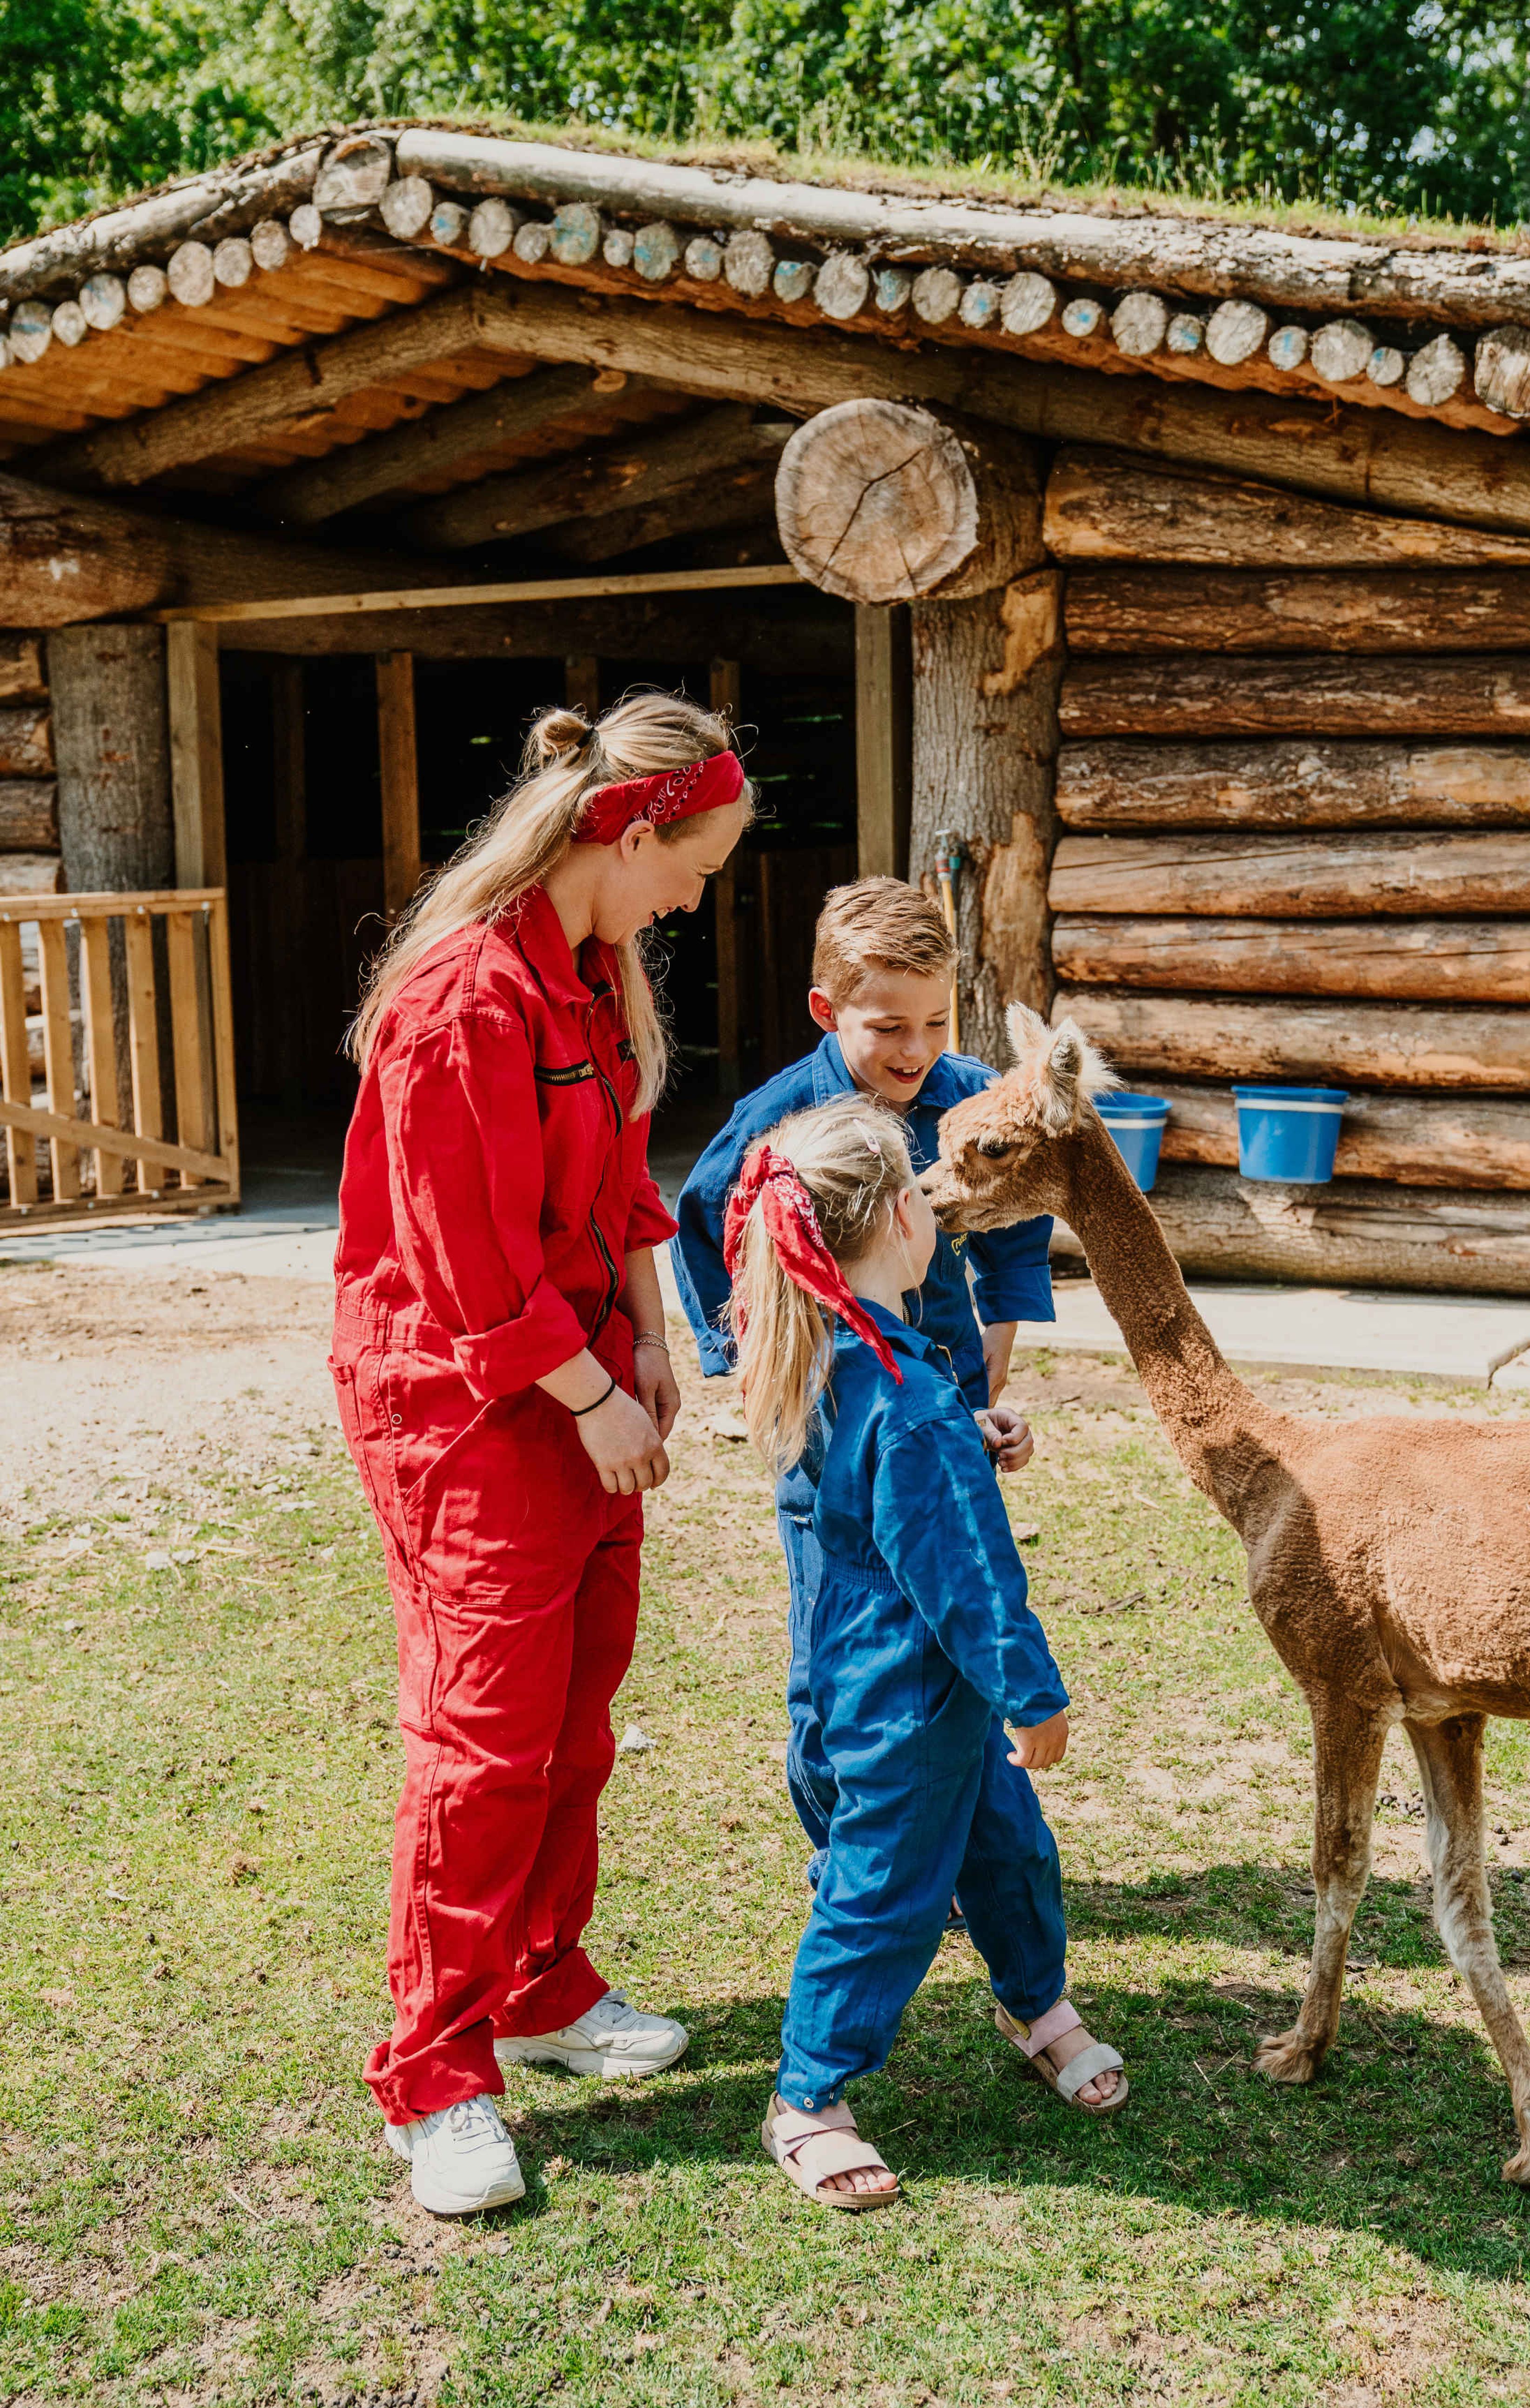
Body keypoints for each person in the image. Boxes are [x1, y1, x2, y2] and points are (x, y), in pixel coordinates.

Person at [333, 692, 752, 2218]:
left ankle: (540, 1982)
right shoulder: (461, 1002)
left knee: (575, 1723)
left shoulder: (586, 977)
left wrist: (651, 1332)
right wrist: (590, 1396)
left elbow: (628, 1185)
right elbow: (468, 1275)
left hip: (581, 1380)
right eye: (696, 862)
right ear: (633, 830)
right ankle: (435, 2072)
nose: (700, 891)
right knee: (483, 1747)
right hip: (469, 1407)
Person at [725, 1097, 1127, 2210]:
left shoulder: (839, 1360)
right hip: (912, 1707)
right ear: (906, 1216)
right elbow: (966, 1577)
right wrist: (1032, 1696)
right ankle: (811, 2092)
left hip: (854, 1680)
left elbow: (879, 1501)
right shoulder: (906, 1404)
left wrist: (965, 1437)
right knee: (883, 1894)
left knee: (1007, 1853)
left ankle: (1034, 2002)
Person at [673, 877, 1056, 1877]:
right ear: (825, 1011)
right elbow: (705, 1225)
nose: (915, 1049)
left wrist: (981, 1407)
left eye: (936, 1021)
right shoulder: (781, 1121)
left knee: (957, 1614)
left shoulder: (970, 1101)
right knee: (841, 1654)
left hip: (939, 1424)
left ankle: (958, 1851)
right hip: (833, 1443)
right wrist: (760, 1373)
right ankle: (851, 1846)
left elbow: (1013, 1247)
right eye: (888, 1025)